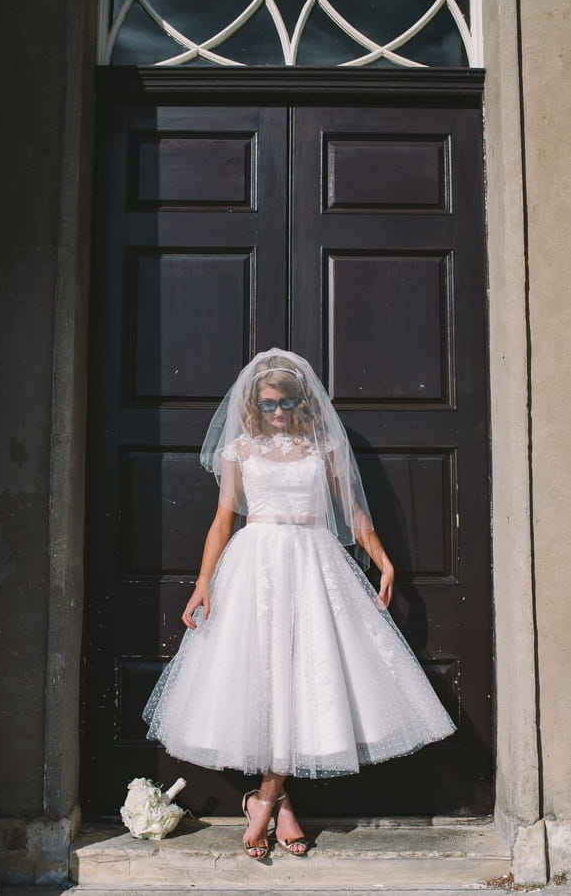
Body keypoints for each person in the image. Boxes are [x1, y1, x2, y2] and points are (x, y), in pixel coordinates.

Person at [143, 348, 455, 860]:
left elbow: (353, 513)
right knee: (265, 681)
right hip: (255, 568)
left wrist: (385, 560)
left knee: (306, 677)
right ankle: (279, 802)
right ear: (253, 406)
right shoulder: (239, 451)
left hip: (314, 565)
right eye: (269, 404)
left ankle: (264, 800)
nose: (280, 412)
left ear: (302, 401)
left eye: (288, 402)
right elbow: (224, 521)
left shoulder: (323, 445)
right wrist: (203, 583)